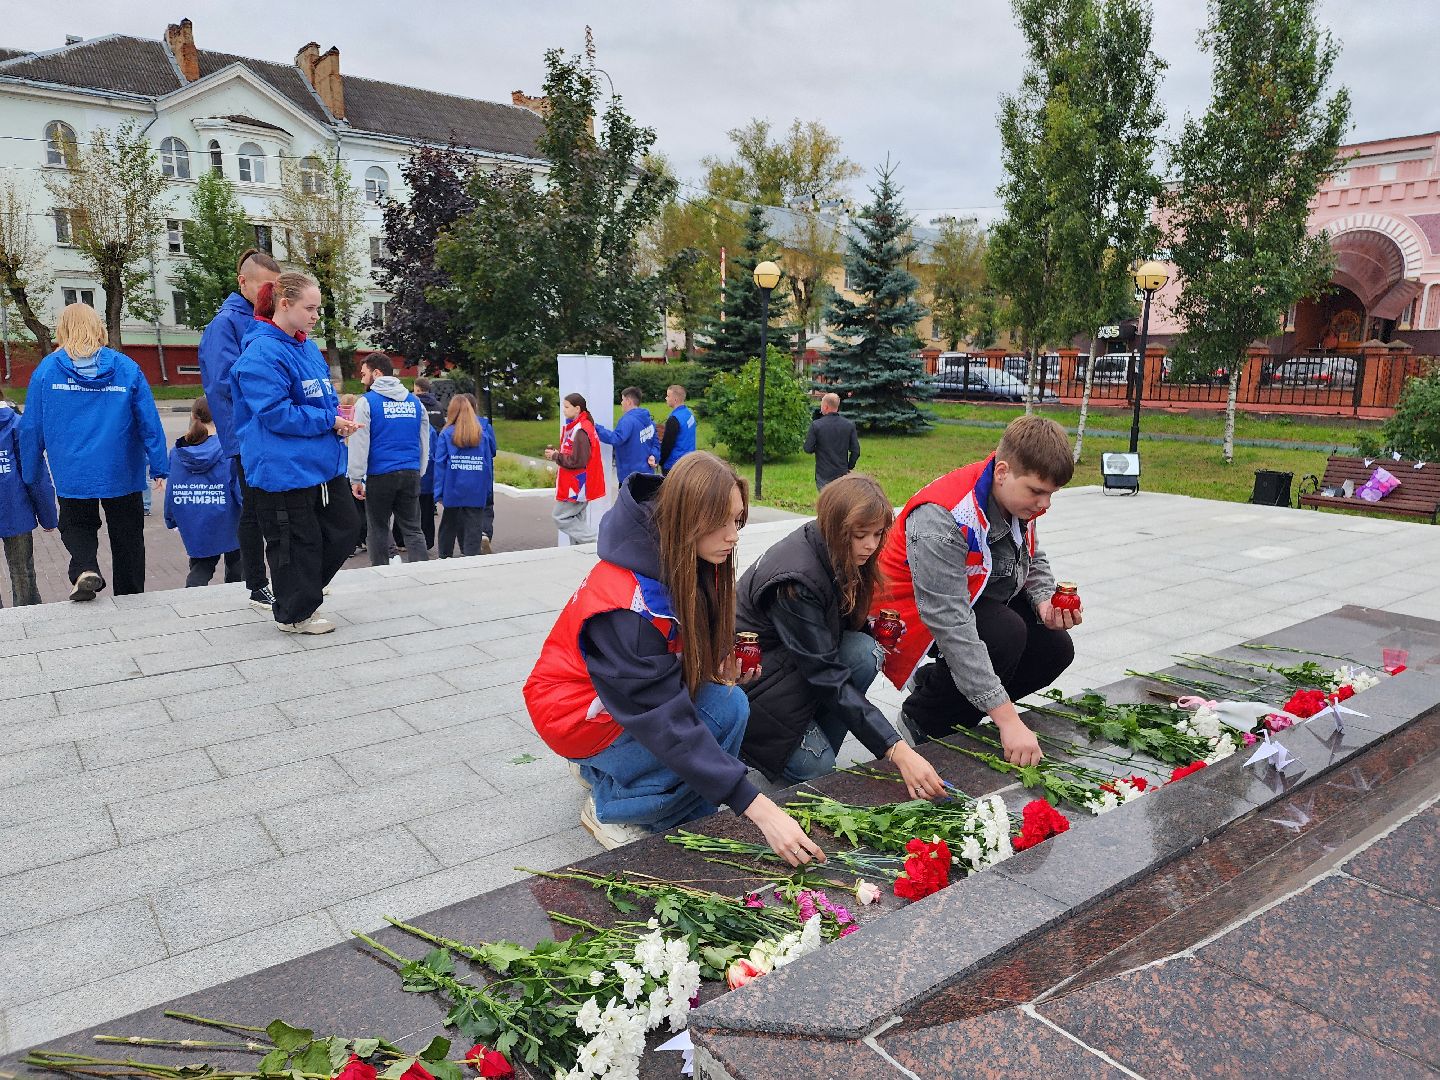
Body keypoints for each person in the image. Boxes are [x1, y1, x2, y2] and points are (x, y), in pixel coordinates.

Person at [524, 452, 826, 865]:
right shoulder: (629, 607)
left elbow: (666, 669)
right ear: (687, 516)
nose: (733, 536)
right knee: (714, 720)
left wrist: (714, 669)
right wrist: (758, 807)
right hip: (575, 715)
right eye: (720, 522)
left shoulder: (681, 552)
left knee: (729, 703)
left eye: (737, 521)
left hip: (615, 701)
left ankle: (607, 770)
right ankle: (612, 806)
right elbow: (665, 723)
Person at [871, 416, 1082, 762]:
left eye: (1051, 494)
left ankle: (943, 686)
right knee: (1005, 634)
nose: (1045, 505)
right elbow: (949, 622)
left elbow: (1031, 553)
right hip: (913, 617)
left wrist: (1044, 601)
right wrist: (1007, 719)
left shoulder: (1015, 497)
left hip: (972, 598)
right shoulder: (944, 516)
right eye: (1037, 492)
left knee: (1054, 648)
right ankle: (923, 721)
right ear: (1002, 472)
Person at [736, 474, 945, 796]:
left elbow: (826, 633)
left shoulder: (834, 549)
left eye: (878, 534)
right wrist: (896, 748)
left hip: (790, 666)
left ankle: (813, 739)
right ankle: (761, 746)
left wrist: (870, 628)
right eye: (860, 535)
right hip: (755, 684)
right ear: (835, 527)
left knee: (864, 650)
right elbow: (824, 674)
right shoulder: (796, 582)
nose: (871, 545)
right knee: (818, 769)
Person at [231, 271, 361, 634]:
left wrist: (336, 420)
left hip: (319, 462)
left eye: (318, 308)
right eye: (310, 308)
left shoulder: (306, 348)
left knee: (345, 528)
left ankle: (301, 591)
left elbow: (322, 398)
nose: (316, 316)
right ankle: (294, 614)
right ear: (284, 304)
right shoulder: (261, 352)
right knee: (295, 541)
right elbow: (275, 413)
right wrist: (328, 420)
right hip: (282, 467)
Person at [19, 304, 167, 600]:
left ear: (63, 328)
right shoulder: (126, 367)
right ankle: (130, 595)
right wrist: (159, 465)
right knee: (128, 534)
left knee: (77, 524)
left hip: (72, 469)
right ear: (98, 327)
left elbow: (31, 427)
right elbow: (149, 421)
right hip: (121, 468)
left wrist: (30, 472)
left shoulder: (47, 370)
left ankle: (85, 568)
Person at [197, 247, 282, 611]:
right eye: (265, 287)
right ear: (242, 282)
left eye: (276, 288)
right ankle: (258, 585)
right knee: (255, 509)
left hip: (269, 428)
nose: (271, 295)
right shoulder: (226, 324)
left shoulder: (264, 317)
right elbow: (224, 384)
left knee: (271, 506)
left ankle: (280, 579)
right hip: (247, 433)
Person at [347, 353, 430, 566]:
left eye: (363, 374)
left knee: (378, 528)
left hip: (380, 473)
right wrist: (420, 470)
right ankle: (424, 572)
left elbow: (359, 441)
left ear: (376, 373)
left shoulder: (367, 402)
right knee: (413, 528)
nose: (362, 380)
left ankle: (381, 573)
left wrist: (356, 477)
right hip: (410, 471)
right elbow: (424, 441)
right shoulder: (415, 403)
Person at [164, 397, 243, 588]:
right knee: (238, 566)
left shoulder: (178, 451)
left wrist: (170, 517)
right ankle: (236, 599)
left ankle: (191, 599)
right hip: (230, 517)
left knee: (201, 568)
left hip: (194, 518)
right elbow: (239, 489)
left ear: (193, 416)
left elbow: (172, 488)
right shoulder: (230, 449)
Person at [0, 387, 57, 606]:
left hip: (16, 509)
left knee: (22, 571)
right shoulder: (17, 425)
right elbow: (34, 474)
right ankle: (27, 617)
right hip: (16, 509)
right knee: (22, 572)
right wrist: (48, 516)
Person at [434, 394, 497, 557]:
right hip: (476, 487)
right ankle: (471, 559)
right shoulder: (481, 434)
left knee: (448, 524)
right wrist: (487, 489)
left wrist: (438, 492)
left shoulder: (446, 434)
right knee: (474, 527)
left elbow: (440, 465)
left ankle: (445, 557)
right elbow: (487, 464)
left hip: (453, 486)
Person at [545, 392, 605, 545]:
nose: (563, 410)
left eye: (566, 407)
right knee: (577, 519)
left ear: (577, 408)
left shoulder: (581, 430)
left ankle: (595, 541)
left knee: (560, 516)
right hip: (579, 483)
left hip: (577, 484)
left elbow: (578, 460)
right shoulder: (582, 426)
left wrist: (556, 456)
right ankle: (580, 550)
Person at [594, 386, 660, 486]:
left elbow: (616, 438)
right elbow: (655, 443)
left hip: (630, 477)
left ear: (628, 401)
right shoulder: (648, 420)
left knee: (628, 497)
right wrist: (654, 455)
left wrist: (596, 427)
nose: (621, 403)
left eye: (622, 399)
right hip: (647, 474)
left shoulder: (627, 420)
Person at [804, 392, 861, 491]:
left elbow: (808, 448)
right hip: (842, 473)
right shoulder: (849, 425)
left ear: (826, 407)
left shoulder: (816, 425)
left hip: (823, 474)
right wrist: (849, 467)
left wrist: (818, 447)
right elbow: (856, 451)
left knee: (826, 499)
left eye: (821, 405)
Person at [653, 384, 697, 475]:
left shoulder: (674, 419)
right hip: (689, 462)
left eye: (668, 396)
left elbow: (667, 445)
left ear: (675, 399)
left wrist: (661, 461)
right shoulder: (689, 414)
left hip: (674, 465)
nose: (666, 398)